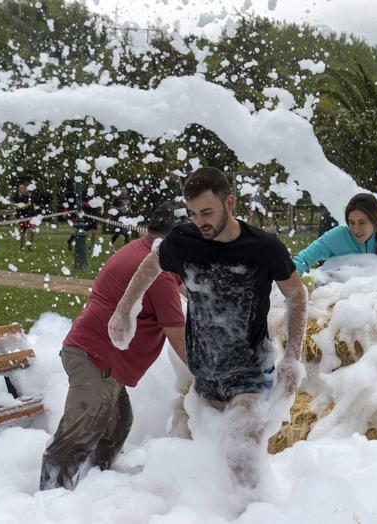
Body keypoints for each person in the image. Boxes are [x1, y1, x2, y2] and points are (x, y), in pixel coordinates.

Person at [108, 167, 307, 491]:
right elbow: (150, 266)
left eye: (207, 212)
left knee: (241, 446)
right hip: (208, 371)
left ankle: (254, 511)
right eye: (192, 213)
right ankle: (231, 507)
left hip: (252, 368)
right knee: (223, 454)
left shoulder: (263, 247)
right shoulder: (183, 242)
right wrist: (124, 310)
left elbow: (297, 294)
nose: (200, 221)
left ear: (230, 203)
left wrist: (293, 357)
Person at [39, 202, 188, 491]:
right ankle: (49, 498)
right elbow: (178, 337)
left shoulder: (145, 251)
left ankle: (95, 484)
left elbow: (183, 288)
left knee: (118, 423)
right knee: (78, 435)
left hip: (95, 352)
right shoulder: (157, 274)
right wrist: (205, 375)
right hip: (95, 357)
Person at [293, 193, 377, 275]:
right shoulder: (338, 236)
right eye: (351, 222)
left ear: (375, 220)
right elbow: (302, 260)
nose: (356, 229)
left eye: (362, 222)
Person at [67, 185, 102, 250]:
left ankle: (92, 246)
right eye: (90, 187)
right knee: (82, 231)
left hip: (94, 215)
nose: (92, 188)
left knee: (94, 232)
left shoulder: (96, 195)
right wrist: (87, 204)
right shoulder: (84, 194)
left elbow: (101, 202)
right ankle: (71, 240)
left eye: (93, 187)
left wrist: (102, 209)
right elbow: (79, 202)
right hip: (86, 215)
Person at [12, 182, 36, 250]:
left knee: (32, 231)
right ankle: (22, 246)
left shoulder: (29, 196)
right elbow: (15, 205)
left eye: (24, 188)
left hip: (30, 216)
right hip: (21, 216)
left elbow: (33, 204)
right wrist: (25, 205)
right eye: (21, 188)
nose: (23, 189)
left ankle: (29, 246)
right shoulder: (17, 196)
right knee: (23, 231)